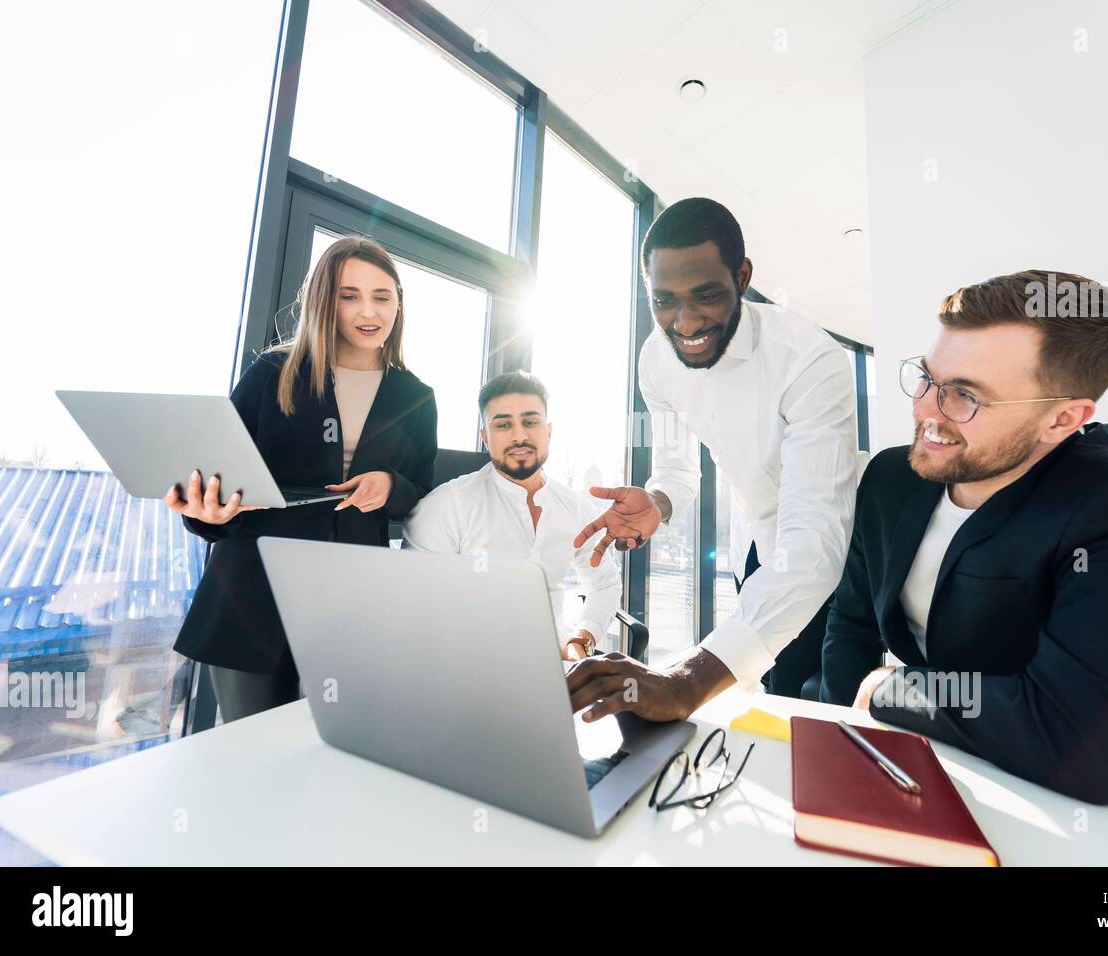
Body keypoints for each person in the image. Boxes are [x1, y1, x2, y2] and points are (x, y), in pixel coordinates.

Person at [820, 270, 1108, 804]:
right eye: (927, 379)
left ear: (1063, 419)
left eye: (964, 396)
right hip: (912, 762)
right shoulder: (892, 478)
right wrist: (846, 740)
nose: (924, 410)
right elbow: (853, 619)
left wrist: (896, 688)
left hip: (1039, 796)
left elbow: (1094, 750)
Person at [567, 197, 857, 721]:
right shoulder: (656, 359)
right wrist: (658, 501)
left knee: (830, 711)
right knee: (777, 690)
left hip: (841, 546)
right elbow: (677, 469)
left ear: (742, 276)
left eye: (706, 295)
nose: (686, 321)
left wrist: (685, 682)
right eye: (664, 301)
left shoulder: (811, 359)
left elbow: (815, 541)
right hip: (753, 540)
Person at [168, 236, 438, 722]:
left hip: (351, 605)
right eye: (348, 294)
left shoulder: (416, 395)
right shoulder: (272, 373)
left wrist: (390, 486)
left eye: (382, 295)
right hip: (252, 595)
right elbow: (219, 481)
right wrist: (205, 514)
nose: (368, 310)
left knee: (334, 754)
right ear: (323, 301)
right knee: (250, 762)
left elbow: (420, 493)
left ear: (399, 302)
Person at [404, 371, 621, 661]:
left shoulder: (576, 507)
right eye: (503, 424)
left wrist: (582, 638)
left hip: (554, 668)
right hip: (464, 667)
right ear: (485, 437)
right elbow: (414, 603)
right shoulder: (445, 505)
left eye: (531, 422)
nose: (519, 435)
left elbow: (604, 583)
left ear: (548, 431)